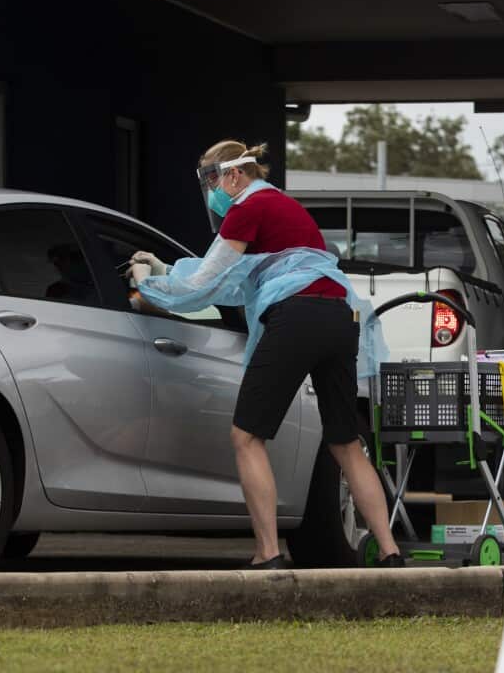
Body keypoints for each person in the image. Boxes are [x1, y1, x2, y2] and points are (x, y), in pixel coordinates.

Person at [128, 140, 403, 569]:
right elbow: (238, 282)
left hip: (298, 316)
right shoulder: (283, 208)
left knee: (247, 436)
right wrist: (166, 271)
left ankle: (268, 554)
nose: (212, 190)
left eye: (213, 179)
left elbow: (203, 283)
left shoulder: (246, 209)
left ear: (235, 174)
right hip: (338, 317)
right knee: (346, 441)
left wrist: (147, 285)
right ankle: (390, 552)